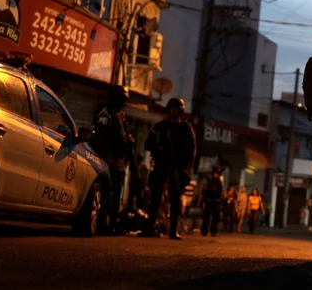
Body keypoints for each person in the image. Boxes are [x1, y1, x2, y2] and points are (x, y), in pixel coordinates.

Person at [140, 98, 196, 240]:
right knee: (155, 198)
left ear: (181, 111)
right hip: (160, 164)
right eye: (172, 108)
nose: (174, 111)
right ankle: (150, 226)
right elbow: (148, 144)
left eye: (177, 108)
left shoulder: (185, 129)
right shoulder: (160, 127)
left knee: (175, 200)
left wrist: (182, 166)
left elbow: (191, 151)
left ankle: (173, 230)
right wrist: (158, 149)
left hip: (176, 167)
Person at [90, 85, 133, 234]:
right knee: (106, 194)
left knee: (115, 194)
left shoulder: (120, 115)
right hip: (106, 161)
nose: (123, 102)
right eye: (121, 99)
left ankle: (112, 224)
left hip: (117, 162)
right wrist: (106, 158)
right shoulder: (105, 113)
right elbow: (101, 137)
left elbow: (123, 139)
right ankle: (102, 224)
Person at [201, 166, 224, 236]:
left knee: (213, 218)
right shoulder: (211, 181)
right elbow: (205, 191)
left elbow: (219, 192)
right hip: (211, 201)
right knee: (207, 218)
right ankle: (206, 231)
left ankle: (211, 231)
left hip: (214, 201)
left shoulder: (218, 181)